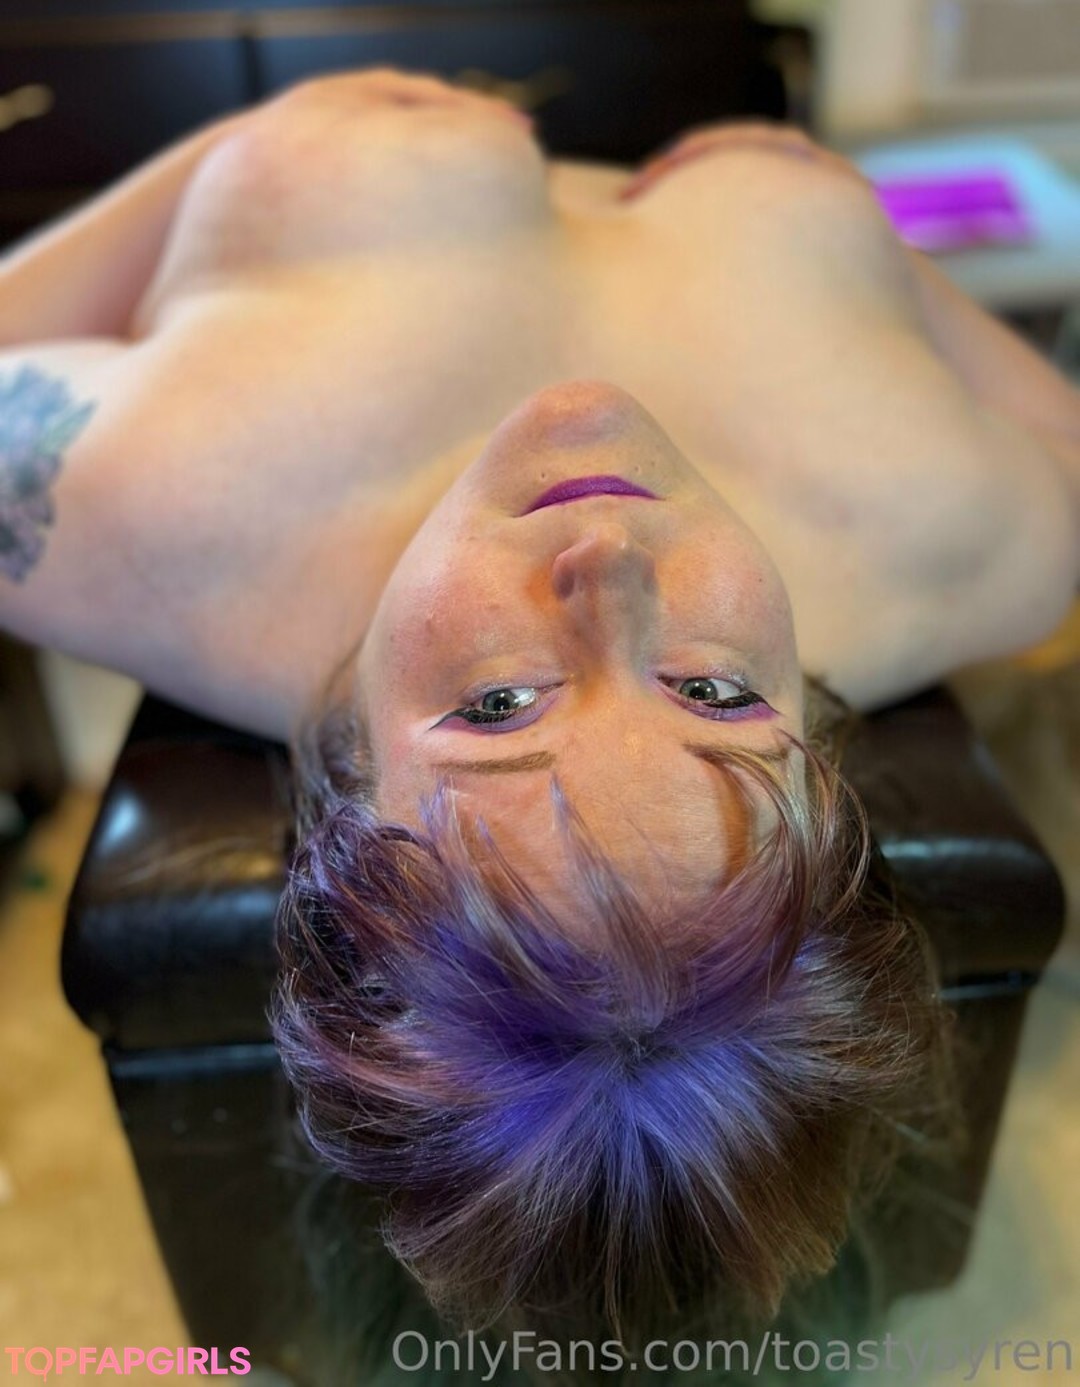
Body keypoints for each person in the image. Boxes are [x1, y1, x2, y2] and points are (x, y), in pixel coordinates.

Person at [3, 67, 1078, 1377]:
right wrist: (857, 242)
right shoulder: (956, 529)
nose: (610, 570)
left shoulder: (122, 508)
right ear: (822, 763)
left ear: (345, 785)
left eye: (500, 707)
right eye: (714, 693)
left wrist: (247, 141)